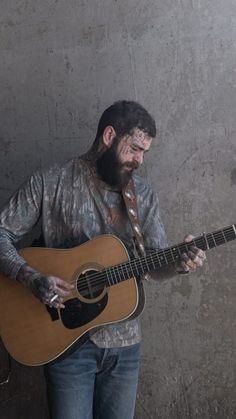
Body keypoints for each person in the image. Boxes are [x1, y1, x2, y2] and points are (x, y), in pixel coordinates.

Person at [0, 100, 206, 419]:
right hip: (64, 345)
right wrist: (30, 277)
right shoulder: (49, 182)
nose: (139, 160)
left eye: (144, 153)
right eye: (135, 149)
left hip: (125, 347)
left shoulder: (144, 195)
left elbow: (153, 262)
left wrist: (178, 263)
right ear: (109, 136)